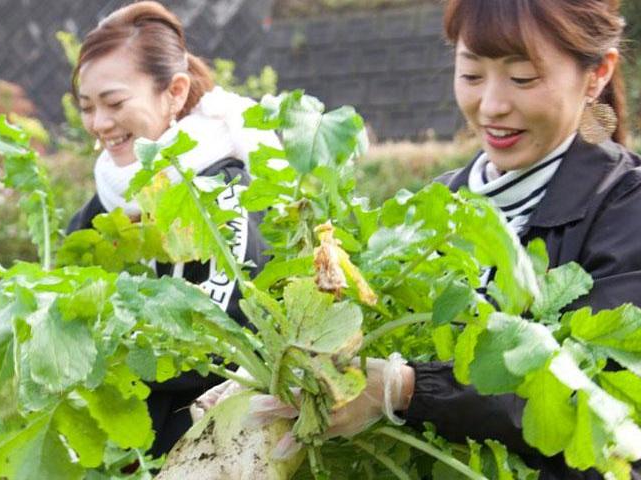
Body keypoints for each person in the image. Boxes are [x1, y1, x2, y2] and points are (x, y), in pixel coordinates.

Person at [199, 0, 639, 477]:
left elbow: (596, 397)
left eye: (523, 79)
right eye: (471, 76)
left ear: (596, 74)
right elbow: (358, 323)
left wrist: (405, 389)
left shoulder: (625, 207)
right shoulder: (435, 205)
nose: (491, 105)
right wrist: (272, 377)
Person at [65, 1, 279, 457]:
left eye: (115, 103)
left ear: (176, 92)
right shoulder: (101, 206)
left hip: (210, 453)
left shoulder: (222, 193)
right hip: (119, 455)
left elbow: (226, 338)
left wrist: (98, 360)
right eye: (87, 107)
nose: (100, 124)